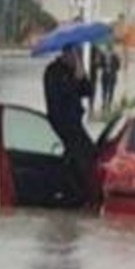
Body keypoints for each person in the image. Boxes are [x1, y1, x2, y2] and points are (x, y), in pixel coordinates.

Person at [43, 44, 97, 199]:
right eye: (75, 55)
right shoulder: (52, 71)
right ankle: (75, 193)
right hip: (61, 125)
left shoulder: (74, 71)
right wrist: (74, 80)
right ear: (67, 54)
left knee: (91, 154)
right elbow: (59, 97)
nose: (77, 59)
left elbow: (87, 91)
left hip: (75, 125)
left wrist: (82, 76)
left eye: (79, 56)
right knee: (79, 159)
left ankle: (83, 193)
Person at [100, 45, 121, 112]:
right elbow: (101, 65)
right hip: (105, 75)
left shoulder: (115, 56)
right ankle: (104, 104)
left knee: (110, 90)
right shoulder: (103, 56)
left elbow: (118, 66)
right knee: (105, 90)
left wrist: (113, 69)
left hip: (112, 75)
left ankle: (108, 104)